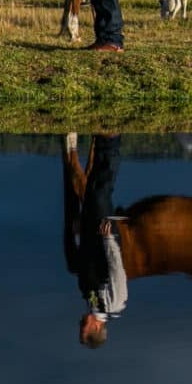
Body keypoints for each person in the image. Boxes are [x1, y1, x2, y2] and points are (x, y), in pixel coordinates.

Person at [63, 132, 126, 347]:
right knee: (102, 191)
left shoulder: (89, 300)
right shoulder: (114, 303)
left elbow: (85, 262)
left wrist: (80, 234)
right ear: (96, 328)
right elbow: (117, 269)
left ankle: (100, 140)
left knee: (91, 190)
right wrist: (109, 239)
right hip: (104, 233)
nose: (80, 323)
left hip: (91, 234)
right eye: (84, 327)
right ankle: (112, 140)